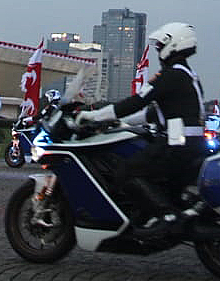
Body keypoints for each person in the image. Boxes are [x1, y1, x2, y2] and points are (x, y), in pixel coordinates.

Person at [76, 22, 206, 239]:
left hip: (176, 146)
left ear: (173, 46)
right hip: (191, 145)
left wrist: (94, 115)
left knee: (126, 173)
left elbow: (137, 101)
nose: (158, 51)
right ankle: (158, 213)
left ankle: (167, 216)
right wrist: (120, 122)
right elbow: (153, 113)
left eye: (160, 46)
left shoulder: (171, 76)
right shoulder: (188, 76)